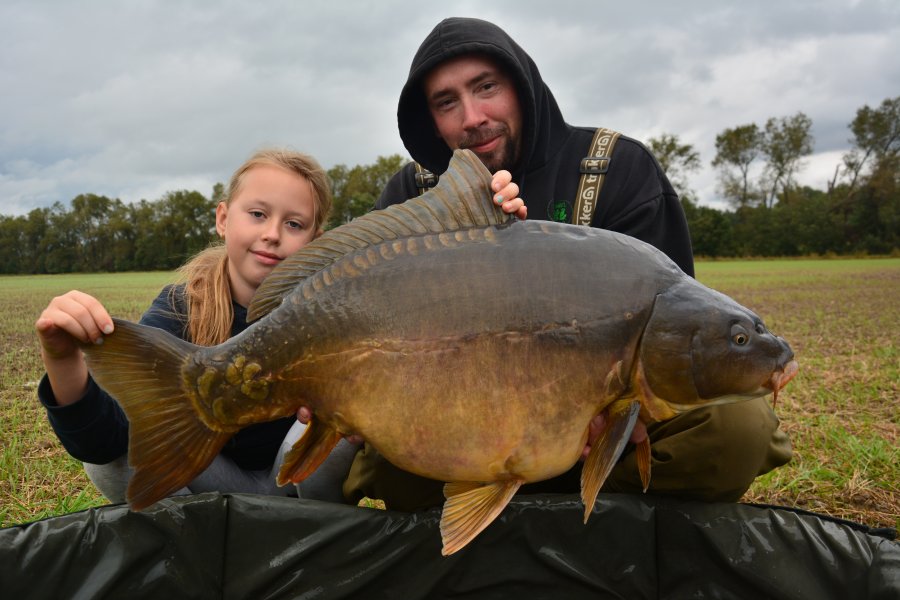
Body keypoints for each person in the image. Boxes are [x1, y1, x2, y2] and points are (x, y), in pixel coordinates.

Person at [343, 17, 792, 511]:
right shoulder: (411, 194)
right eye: (446, 102)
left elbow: (680, 329)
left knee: (736, 432)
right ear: (429, 118)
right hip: (460, 429)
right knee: (382, 452)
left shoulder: (618, 168)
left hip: (611, 438)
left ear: (522, 85)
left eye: (486, 87)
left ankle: (591, 524)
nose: (472, 116)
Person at [35, 146, 526, 507]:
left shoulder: (342, 307)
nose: (272, 234)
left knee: (336, 431)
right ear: (223, 219)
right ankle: (181, 538)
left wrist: (487, 233)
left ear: (317, 238)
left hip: (296, 486)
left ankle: (296, 545)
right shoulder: (182, 307)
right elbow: (102, 439)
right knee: (107, 459)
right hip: (200, 480)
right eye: (257, 214)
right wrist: (63, 361)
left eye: (294, 225)